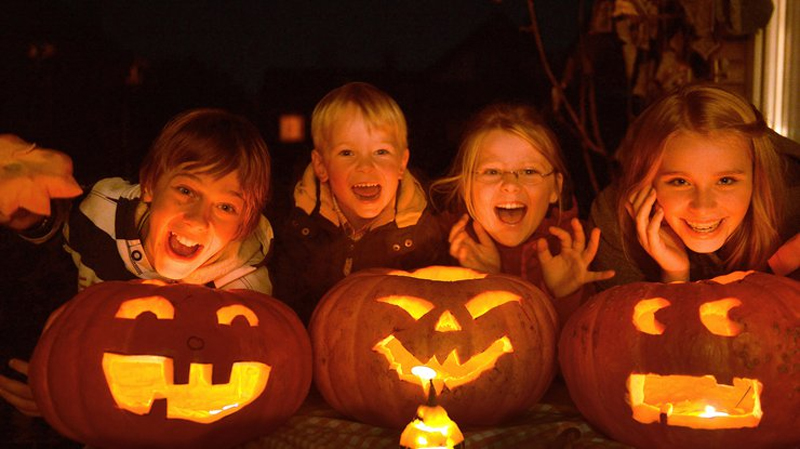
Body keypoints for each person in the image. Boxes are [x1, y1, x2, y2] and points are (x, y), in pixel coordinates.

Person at [0, 108, 274, 416]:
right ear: (150, 186)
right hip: (98, 391)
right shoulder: (99, 215)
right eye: (186, 190)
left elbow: (251, 361)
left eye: (226, 207)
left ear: (242, 226)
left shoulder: (242, 286)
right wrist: (56, 390)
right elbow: (59, 229)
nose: (198, 219)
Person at [589, 83, 799, 290]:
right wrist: (674, 274)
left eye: (725, 181)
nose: (703, 207)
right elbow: (621, 322)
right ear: (648, 180)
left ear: (757, 178)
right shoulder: (615, 224)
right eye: (680, 182)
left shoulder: (793, 217)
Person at [269, 82, 448, 324]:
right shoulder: (292, 225)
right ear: (321, 166)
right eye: (347, 153)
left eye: (381, 152)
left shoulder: (426, 233)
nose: (365, 166)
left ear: (402, 163)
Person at [431, 103, 614, 325]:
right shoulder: (435, 243)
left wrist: (565, 294)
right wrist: (483, 281)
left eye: (529, 171)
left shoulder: (578, 250)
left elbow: (586, 349)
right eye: (492, 171)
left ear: (555, 188)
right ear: (464, 185)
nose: (510, 184)